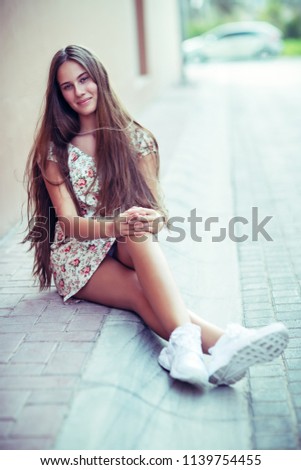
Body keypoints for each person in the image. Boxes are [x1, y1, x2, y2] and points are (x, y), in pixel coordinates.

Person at [24, 45, 288, 388]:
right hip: (77, 257)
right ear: (59, 94)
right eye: (67, 86)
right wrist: (119, 223)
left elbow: (158, 214)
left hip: (122, 242)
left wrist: (143, 221)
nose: (79, 92)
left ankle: (189, 350)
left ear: (99, 78)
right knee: (138, 291)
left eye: (84, 79)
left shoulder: (136, 140)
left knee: (138, 233)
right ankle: (219, 343)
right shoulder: (55, 149)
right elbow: (70, 223)